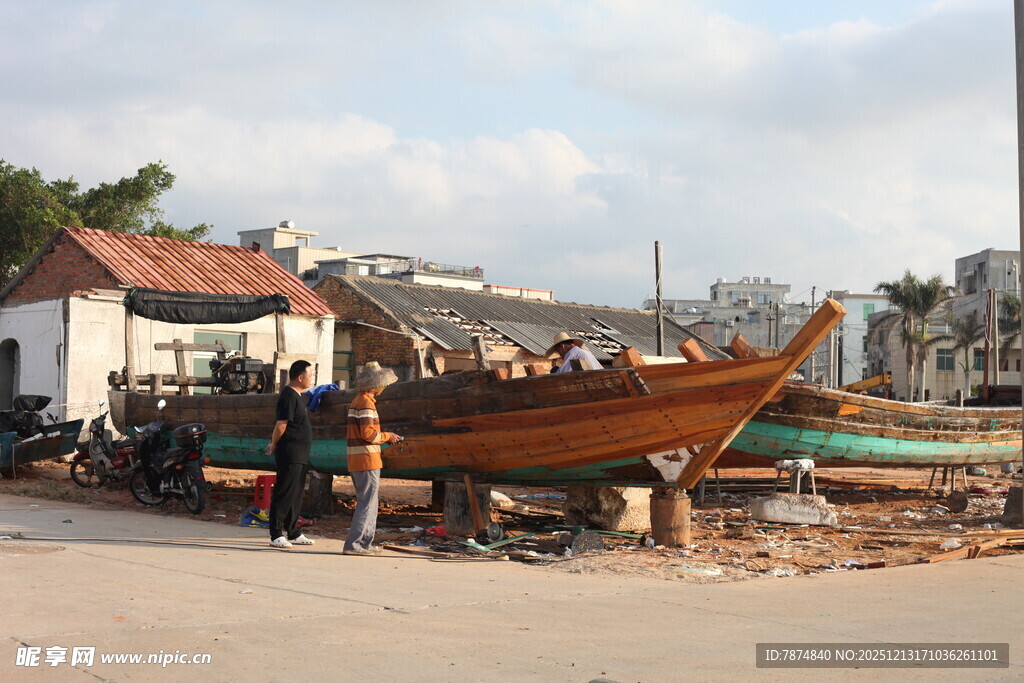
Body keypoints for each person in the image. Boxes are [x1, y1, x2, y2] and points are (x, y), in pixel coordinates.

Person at [344, 361, 401, 556]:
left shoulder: (358, 401)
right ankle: (354, 545)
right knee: (367, 503)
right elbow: (368, 435)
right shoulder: (366, 403)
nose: (384, 387)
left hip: (359, 460)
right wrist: (388, 436)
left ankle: (365, 544)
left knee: (370, 502)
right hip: (366, 460)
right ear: (376, 385)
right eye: (383, 384)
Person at [265, 360, 316, 549]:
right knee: (284, 492)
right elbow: (281, 425)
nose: (312, 378)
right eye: (310, 374)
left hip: (301, 453)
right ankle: (276, 533)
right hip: (290, 452)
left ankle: (293, 531)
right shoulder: (288, 396)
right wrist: (274, 444)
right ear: (300, 377)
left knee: (296, 493)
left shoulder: (299, 396)